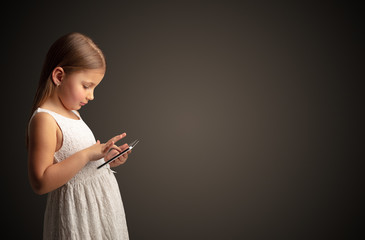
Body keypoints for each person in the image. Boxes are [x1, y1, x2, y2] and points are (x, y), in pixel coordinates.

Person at [27, 32, 130, 239]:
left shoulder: (73, 113)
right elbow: (41, 182)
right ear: (59, 76)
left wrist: (105, 160)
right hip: (78, 215)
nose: (91, 96)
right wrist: (86, 155)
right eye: (86, 86)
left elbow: (78, 169)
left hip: (102, 209)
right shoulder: (45, 120)